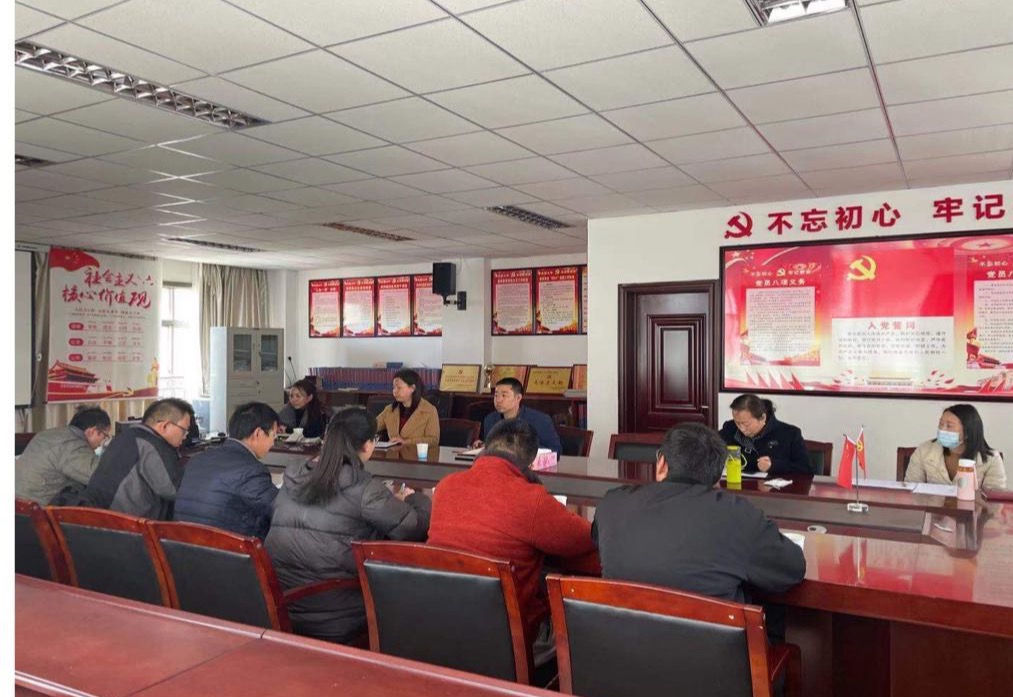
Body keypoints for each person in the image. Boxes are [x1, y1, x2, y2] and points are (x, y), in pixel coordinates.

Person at [592, 422, 805, 628]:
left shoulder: (613, 503)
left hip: (618, 647)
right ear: (717, 474)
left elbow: (598, 541)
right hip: (711, 651)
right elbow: (792, 569)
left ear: (661, 463)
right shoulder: (737, 514)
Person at [428, 419, 596, 663]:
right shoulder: (530, 499)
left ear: (486, 447)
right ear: (531, 463)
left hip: (442, 624)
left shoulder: (446, 486)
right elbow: (587, 539)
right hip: (511, 636)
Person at [265, 407, 431, 644]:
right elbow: (413, 528)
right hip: (336, 612)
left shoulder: (294, 476)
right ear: (368, 444)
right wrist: (416, 499)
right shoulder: (364, 489)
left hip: (282, 604)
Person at [174, 402, 280, 539]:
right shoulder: (252, 470)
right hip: (226, 548)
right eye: (273, 436)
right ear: (258, 433)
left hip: (183, 543)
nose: (273, 443)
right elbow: (280, 510)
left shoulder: (197, 460)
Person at [80, 398, 192, 520]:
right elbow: (174, 490)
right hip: (125, 525)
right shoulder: (152, 445)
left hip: (96, 518)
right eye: (184, 430)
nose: (185, 436)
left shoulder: (125, 436)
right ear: (164, 426)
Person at [15, 406, 111, 505]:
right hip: (37, 508)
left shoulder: (47, 433)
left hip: (17, 501)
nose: (102, 442)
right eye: (105, 436)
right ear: (92, 431)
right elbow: (97, 478)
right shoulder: (73, 444)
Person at [905, 404, 1006, 489]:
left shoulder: (992, 459)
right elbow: (910, 489)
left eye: (949, 426)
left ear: (967, 432)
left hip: (972, 507)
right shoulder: (924, 450)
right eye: (941, 424)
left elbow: (994, 499)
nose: (942, 430)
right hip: (931, 506)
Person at [718, 393, 810, 476]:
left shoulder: (790, 434)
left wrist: (774, 465)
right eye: (737, 423)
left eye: (746, 424)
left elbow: (806, 469)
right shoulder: (730, 428)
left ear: (762, 417)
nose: (742, 429)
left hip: (774, 488)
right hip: (735, 486)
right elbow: (712, 448)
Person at [473, 378, 562, 457]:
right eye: (496, 395)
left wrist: (520, 448)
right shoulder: (490, 419)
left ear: (518, 398)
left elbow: (556, 451)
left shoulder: (540, 420)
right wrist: (483, 445)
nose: (498, 400)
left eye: (504, 395)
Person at [375, 368, 440, 450]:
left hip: (417, 455)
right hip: (393, 455)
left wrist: (406, 442)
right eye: (393, 387)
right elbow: (372, 426)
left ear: (412, 388)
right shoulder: (389, 410)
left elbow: (434, 440)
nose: (394, 391)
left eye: (399, 388)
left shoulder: (429, 410)